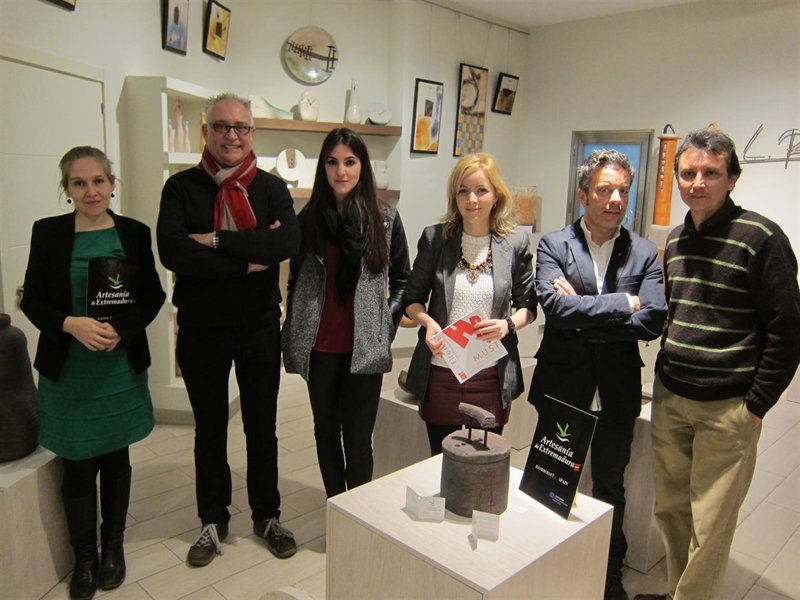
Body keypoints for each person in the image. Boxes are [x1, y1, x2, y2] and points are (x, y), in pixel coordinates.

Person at [634, 128, 800, 600]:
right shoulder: (677, 241)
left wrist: (758, 403)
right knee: (670, 511)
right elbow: (678, 312)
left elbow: (787, 328)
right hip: (672, 398)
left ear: (732, 178)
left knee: (710, 526)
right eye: (688, 173)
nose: (698, 182)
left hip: (727, 408)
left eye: (711, 172)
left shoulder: (761, 238)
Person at [156, 93, 300, 567]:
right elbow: (174, 253)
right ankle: (212, 520)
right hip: (201, 329)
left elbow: (286, 242)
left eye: (241, 127)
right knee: (210, 428)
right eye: (221, 126)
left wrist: (216, 240)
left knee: (262, 427)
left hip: (259, 327)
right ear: (206, 131)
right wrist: (246, 261)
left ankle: (267, 516)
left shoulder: (272, 188)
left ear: (252, 133)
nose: (231, 135)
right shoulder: (180, 188)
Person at [21, 146, 165, 600]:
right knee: (78, 467)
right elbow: (32, 299)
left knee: (116, 461)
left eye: (99, 181)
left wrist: (122, 329)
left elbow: (153, 296)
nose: (91, 191)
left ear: (112, 183)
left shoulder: (134, 233)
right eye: (79, 183)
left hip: (118, 370)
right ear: (66, 189)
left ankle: (113, 548)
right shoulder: (48, 233)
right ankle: (84, 557)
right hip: (69, 372)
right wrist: (70, 324)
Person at [527, 148, 667, 600]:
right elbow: (556, 310)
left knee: (610, 485)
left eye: (623, 190)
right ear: (583, 194)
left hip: (616, 389)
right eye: (605, 190)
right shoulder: (553, 245)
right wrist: (623, 304)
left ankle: (608, 575)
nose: (615, 199)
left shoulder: (643, 252)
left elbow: (653, 319)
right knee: (551, 478)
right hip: (563, 384)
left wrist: (584, 313)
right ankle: (544, 565)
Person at [281, 128, 410, 498]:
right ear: (323, 167)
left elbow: (403, 280)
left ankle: (357, 509)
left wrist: (385, 325)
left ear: (362, 166)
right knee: (325, 431)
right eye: (333, 162)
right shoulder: (307, 220)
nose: (341, 171)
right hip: (320, 346)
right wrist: (293, 323)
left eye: (350, 162)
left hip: (364, 347)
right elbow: (295, 279)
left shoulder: (384, 219)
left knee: (358, 438)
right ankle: (335, 503)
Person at [403, 152, 536, 455]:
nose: (472, 199)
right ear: (455, 196)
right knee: (439, 460)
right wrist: (427, 322)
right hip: (441, 372)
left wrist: (507, 325)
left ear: (496, 195)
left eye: (481, 190)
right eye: (463, 191)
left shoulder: (514, 243)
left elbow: (528, 305)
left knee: (482, 462)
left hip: (490, 375)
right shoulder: (436, 239)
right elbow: (412, 299)